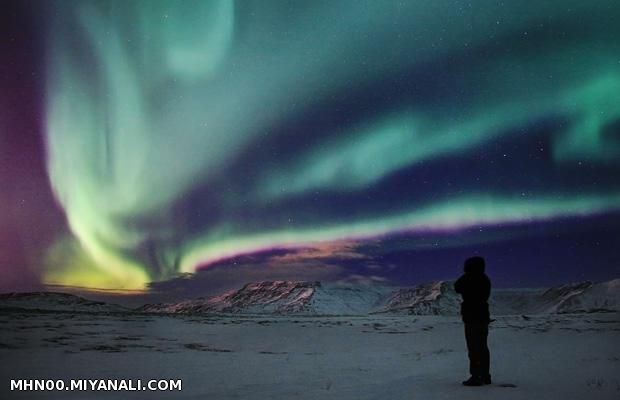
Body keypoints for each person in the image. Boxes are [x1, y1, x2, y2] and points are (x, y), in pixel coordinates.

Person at [454, 256, 491, 386]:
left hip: (472, 317)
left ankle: (476, 376)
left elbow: (457, 287)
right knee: (482, 347)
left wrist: (466, 275)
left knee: (474, 348)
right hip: (482, 316)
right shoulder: (484, 279)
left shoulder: (469, 278)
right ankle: (485, 375)